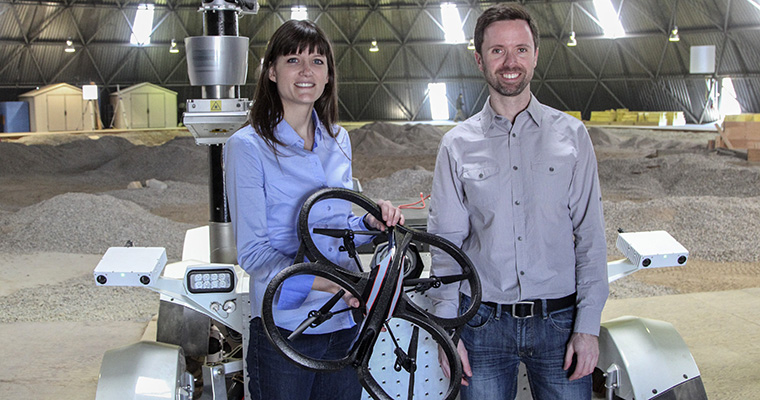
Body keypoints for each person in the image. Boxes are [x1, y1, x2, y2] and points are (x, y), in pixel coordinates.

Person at [427, 4, 608, 400]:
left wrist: (588, 326)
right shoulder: (456, 146)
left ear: (536, 55)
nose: (511, 62)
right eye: (497, 51)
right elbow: (446, 246)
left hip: (560, 323)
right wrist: (447, 329)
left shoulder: (572, 137)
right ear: (479, 59)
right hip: (482, 325)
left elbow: (591, 237)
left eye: (521, 50)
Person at [224, 20, 404, 400]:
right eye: (293, 60)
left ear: (328, 75)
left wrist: (371, 221)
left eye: (318, 61)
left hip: (343, 320)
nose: (307, 71)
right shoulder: (248, 146)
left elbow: (338, 226)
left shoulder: (338, 139)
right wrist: (329, 282)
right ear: (272, 72)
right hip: (287, 327)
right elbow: (254, 254)